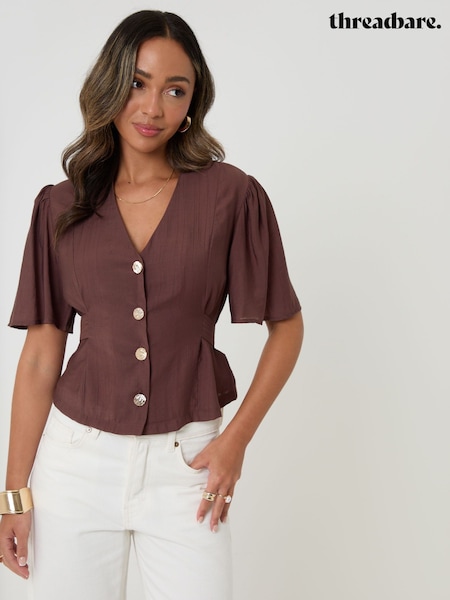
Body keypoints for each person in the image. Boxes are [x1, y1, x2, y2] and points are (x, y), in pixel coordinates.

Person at [0, 10, 303, 600]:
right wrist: (15, 493)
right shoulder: (61, 205)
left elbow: (286, 328)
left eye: (174, 90)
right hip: (73, 465)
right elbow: (40, 355)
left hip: (188, 464)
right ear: (110, 83)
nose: (152, 107)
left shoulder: (231, 196)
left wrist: (235, 441)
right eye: (138, 83)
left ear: (193, 102)